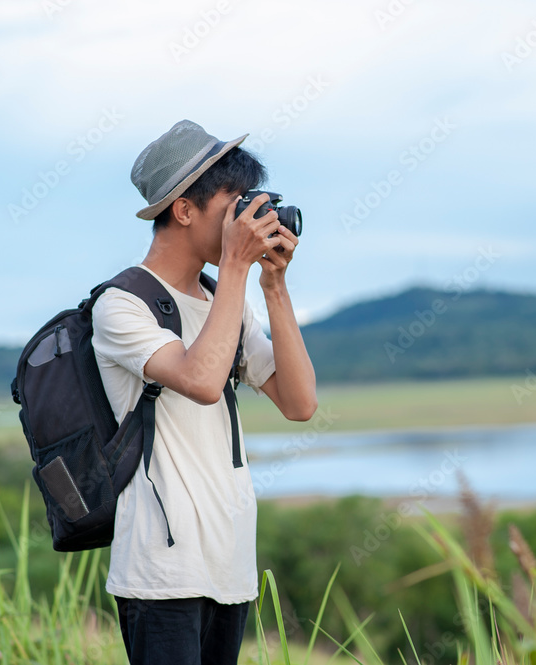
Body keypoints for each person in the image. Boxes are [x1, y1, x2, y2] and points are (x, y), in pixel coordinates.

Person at [91, 119, 318, 664]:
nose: (250, 219)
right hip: (162, 569)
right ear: (184, 210)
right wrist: (237, 266)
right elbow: (201, 381)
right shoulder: (121, 304)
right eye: (236, 204)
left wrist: (274, 285)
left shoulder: (224, 299)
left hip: (229, 560)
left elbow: (300, 404)